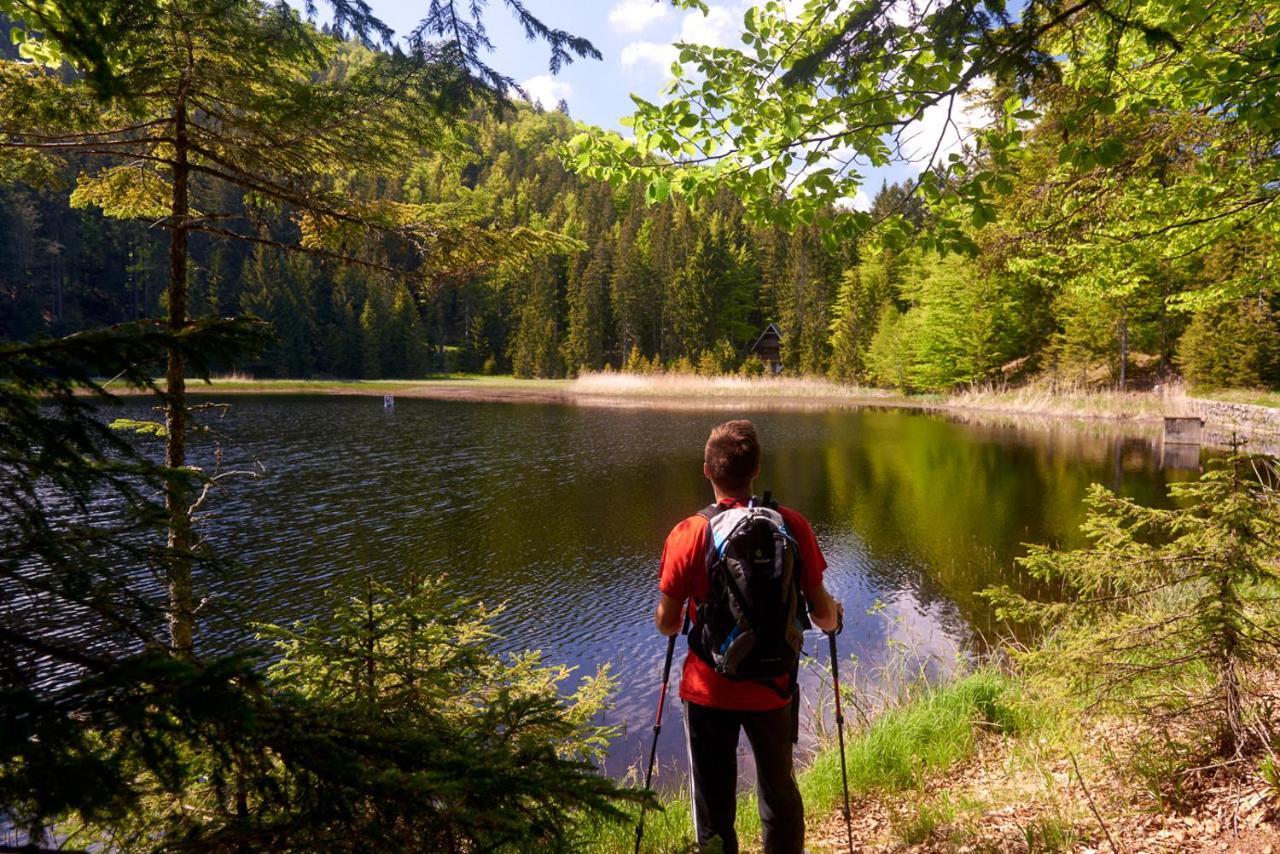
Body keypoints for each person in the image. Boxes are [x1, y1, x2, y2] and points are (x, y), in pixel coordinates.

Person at [655, 419, 842, 854]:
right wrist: (834, 621)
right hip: (773, 687)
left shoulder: (689, 533)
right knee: (779, 791)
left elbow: (666, 623)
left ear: (707, 470)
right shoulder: (792, 524)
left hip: (707, 691)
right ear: (756, 468)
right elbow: (823, 612)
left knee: (713, 803)